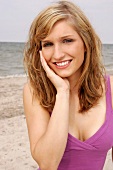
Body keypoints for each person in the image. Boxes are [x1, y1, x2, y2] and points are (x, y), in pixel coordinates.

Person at [23, 0, 113, 170]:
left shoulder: (111, 88)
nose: (57, 54)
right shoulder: (34, 91)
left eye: (67, 41)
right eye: (48, 44)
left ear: (86, 44)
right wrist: (62, 92)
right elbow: (47, 163)